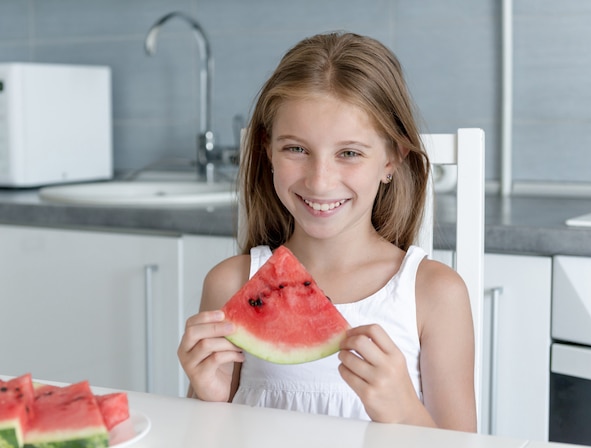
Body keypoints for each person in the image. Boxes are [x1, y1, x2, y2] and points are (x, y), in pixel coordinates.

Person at [178, 31, 476, 431]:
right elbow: (201, 438)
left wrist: (403, 411)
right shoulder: (229, 283)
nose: (320, 182)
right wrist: (207, 401)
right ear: (267, 150)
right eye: (296, 149)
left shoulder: (435, 294)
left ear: (392, 158)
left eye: (349, 153)